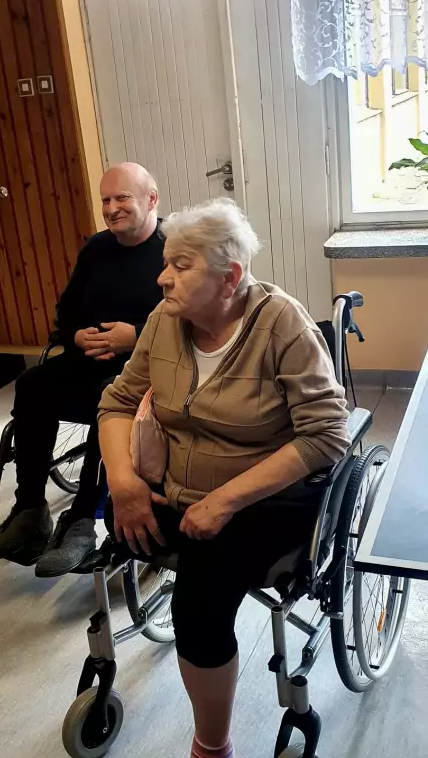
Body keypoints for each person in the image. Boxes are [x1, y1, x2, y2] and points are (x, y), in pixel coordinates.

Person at [97, 198, 350, 758]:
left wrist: (225, 502)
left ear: (229, 277)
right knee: (115, 530)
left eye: (180, 265)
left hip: (266, 502)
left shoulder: (282, 325)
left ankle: (211, 747)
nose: (162, 278)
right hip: (175, 491)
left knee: (198, 606)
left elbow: (327, 434)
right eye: (166, 262)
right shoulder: (164, 321)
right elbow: (117, 402)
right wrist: (123, 483)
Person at [0, 163, 165, 577]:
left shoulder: (171, 250)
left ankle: (81, 520)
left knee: (108, 397)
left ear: (151, 200)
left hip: (144, 375)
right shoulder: (96, 248)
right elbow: (68, 308)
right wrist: (76, 334)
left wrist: (135, 336)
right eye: (105, 200)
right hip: (88, 360)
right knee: (32, 384)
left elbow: (187, 319)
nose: (111, 208)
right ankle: (30, 512)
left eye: (122, 198)